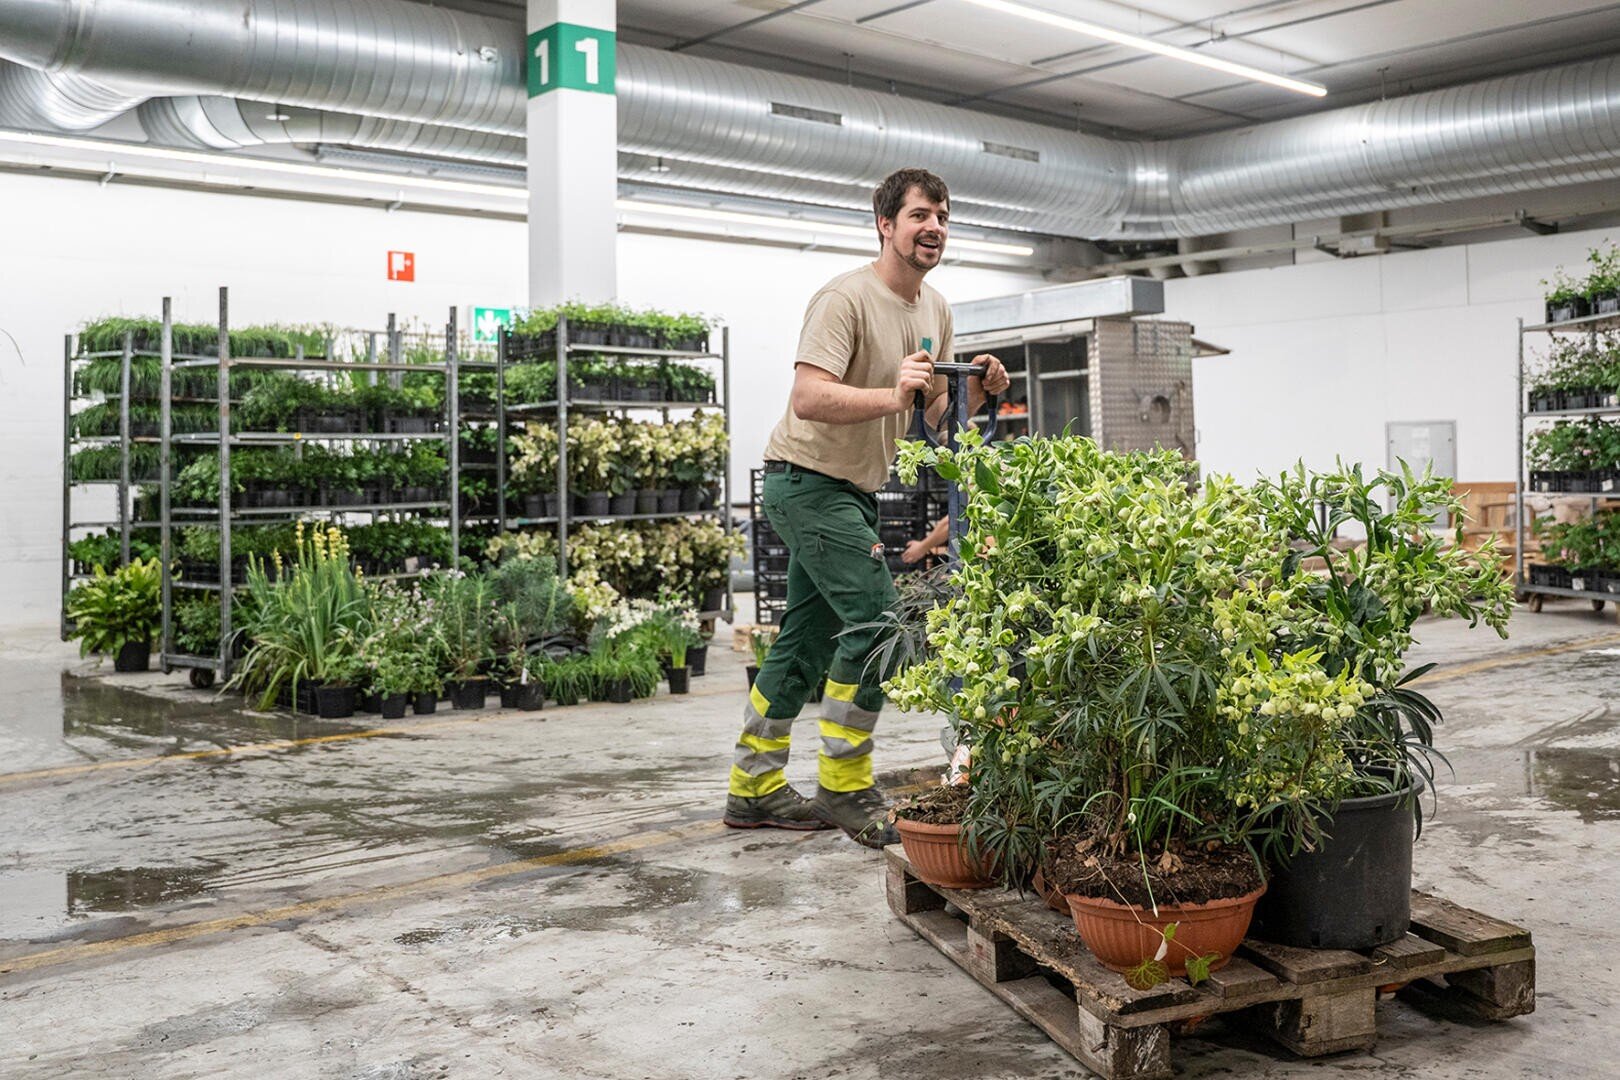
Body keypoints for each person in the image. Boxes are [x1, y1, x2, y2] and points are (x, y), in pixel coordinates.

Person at [723, 167, 1010, 847]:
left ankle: (753, 787)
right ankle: (845, 787)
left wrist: (979, 388)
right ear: (886, 225)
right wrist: (893, 394)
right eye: (919, 215)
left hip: (851, 491)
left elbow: (933, 416)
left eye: (942, 216)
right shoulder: (844, 298)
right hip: (805, 482)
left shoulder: (935, 310)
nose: (934, 227)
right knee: (881, 626)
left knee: (803, 641)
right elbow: (808, 397)